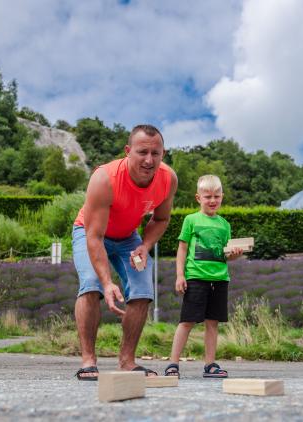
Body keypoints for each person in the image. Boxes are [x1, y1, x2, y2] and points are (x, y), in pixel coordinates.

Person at [72, 124, 178, 381]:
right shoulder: (104, 178)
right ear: (128, 151)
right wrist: (108, 283)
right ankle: (88, 360)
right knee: (91, 285)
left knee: (142, 290)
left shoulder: (168, 179)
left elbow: (161, 220)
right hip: (91, 232)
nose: (149, 160)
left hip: (129, 237)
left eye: (156, 153)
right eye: (142, 152)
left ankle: (127, 361)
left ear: (163, 153)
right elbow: (94, 237)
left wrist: (146, 245)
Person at [164, 175, 243, 379]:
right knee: (187, 321)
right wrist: (180, 275)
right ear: (198, 198)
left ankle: (210, 364)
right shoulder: (191, 220)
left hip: (220, 280)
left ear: (222, 197)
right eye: (207, 196)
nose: (212, 200)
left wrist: (234, 255)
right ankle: (173, 363)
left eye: (217, 196)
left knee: (212, 322)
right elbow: (182, 249)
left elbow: (224, 255)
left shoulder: (225, 225)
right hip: (196, 278)